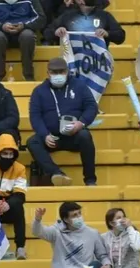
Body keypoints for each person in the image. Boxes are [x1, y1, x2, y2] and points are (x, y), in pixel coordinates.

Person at [27, 57, 99, 187]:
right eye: (54, 72)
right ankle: (57, 174)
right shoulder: (39, 91)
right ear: (48, 73)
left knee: (85, 136)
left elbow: (91, 106)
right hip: (52, 137)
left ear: (67, 71)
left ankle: (90, 180)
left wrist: (81, 123)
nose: (58, 75)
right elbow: (35, 116)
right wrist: (45, 135)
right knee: (33, 142)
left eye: (61, 72)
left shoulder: (79, 86)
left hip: (74, 135)